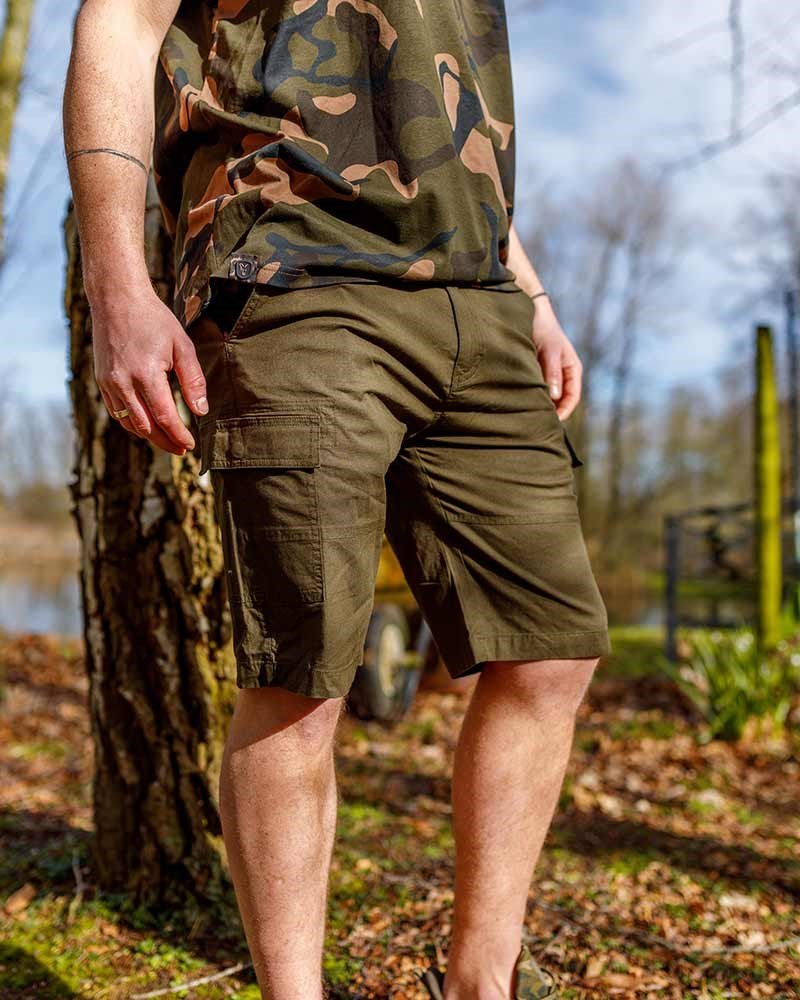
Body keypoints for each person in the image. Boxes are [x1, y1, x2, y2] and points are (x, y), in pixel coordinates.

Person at [63, 2, 612, 997]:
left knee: (551, 650)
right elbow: (122, 21)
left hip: (476, 291)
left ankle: (482, 984)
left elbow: (445, 111)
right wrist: (118, 286)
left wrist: (528, 294)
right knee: (302, 669)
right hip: (292, 264)